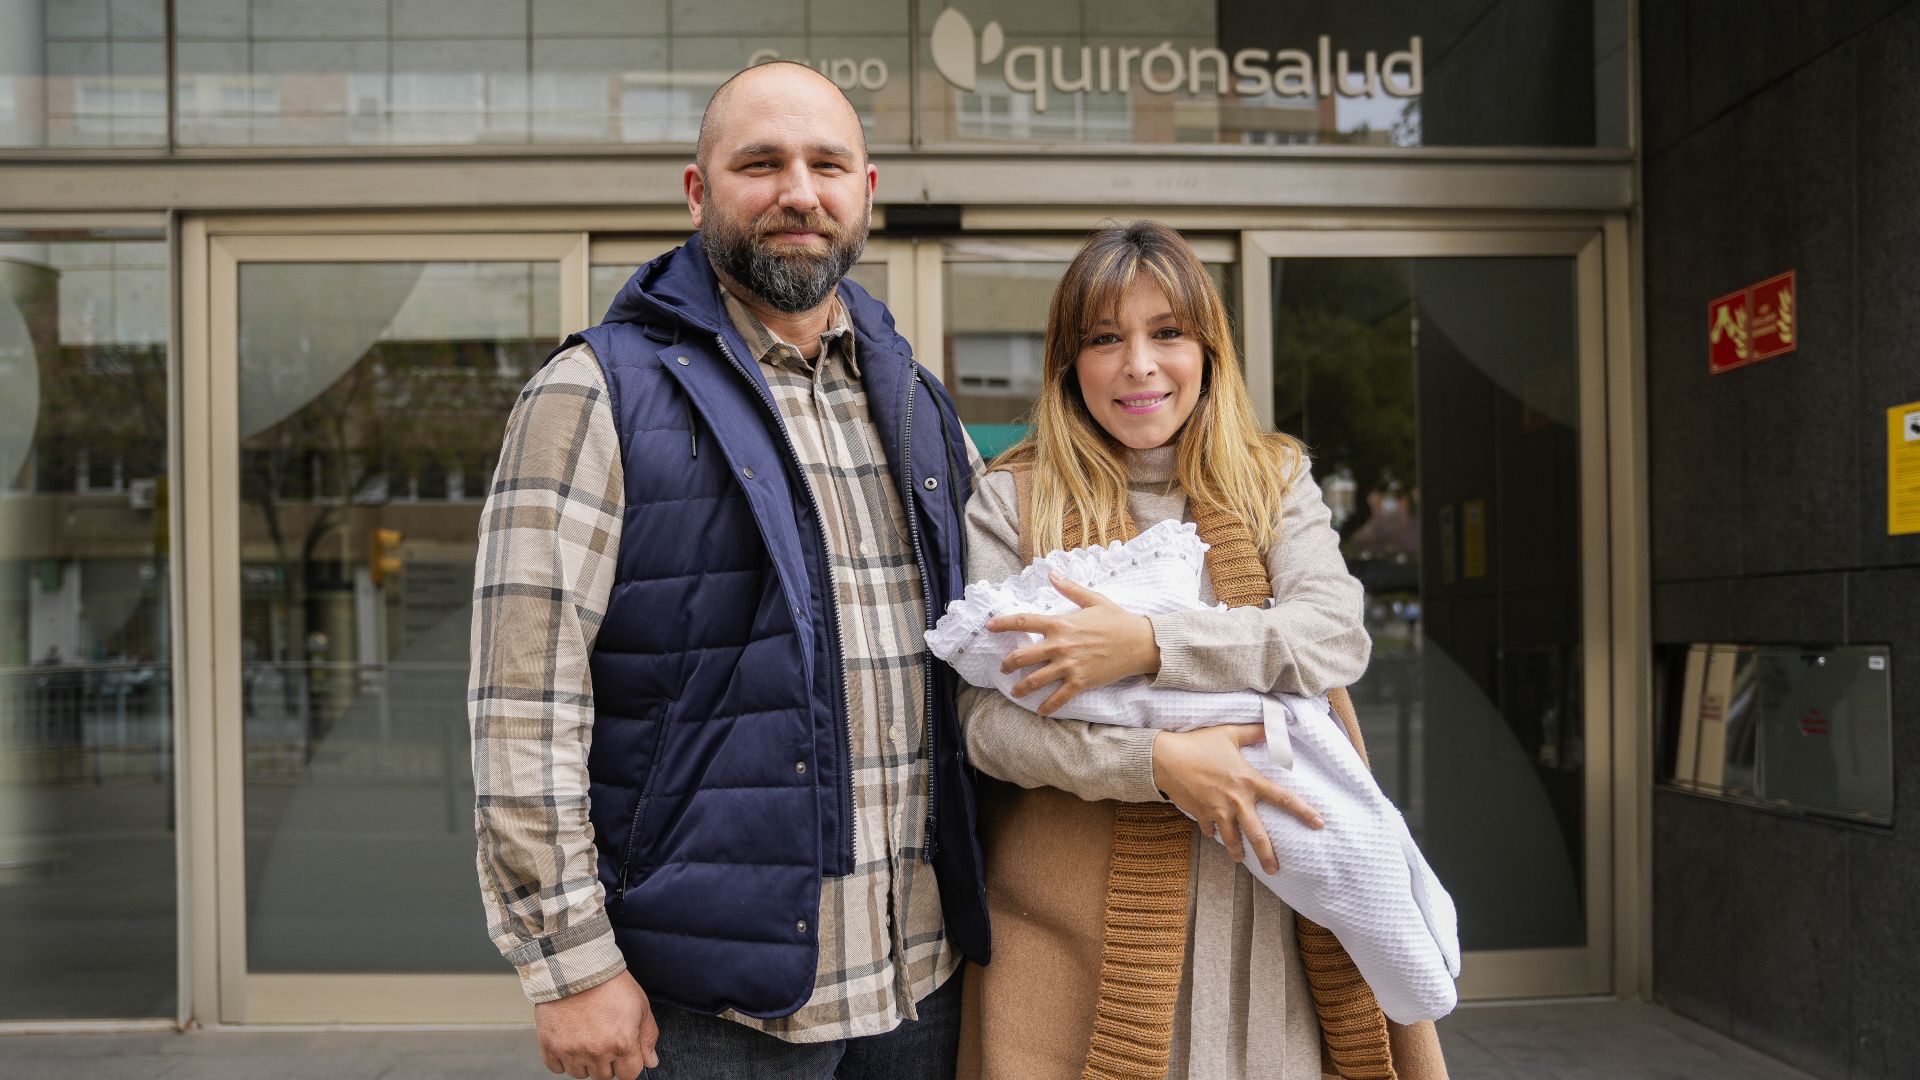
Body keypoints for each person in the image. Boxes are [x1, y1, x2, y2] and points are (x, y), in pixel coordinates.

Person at [468, 61, 986, 1080]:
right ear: (699, 193)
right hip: (707, 1002)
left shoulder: (918, 401)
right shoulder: (592, 394)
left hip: (921, 978)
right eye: (762, 163)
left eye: (826, 164)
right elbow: (522, 708)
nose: (799, 190)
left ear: (864, 192)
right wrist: (569, 965)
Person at [954, 220, 1448, 1080]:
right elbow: (985, 726)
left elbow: (1331, 634)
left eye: (1167, 333)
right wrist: (1157, 763)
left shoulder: (1271, 479)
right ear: (1069, 363)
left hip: (1277, 910)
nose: (1139, 365)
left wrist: (1148, 644)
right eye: (1105, 339)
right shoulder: (1011, 498)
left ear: (1208, 349)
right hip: (1084, 928)